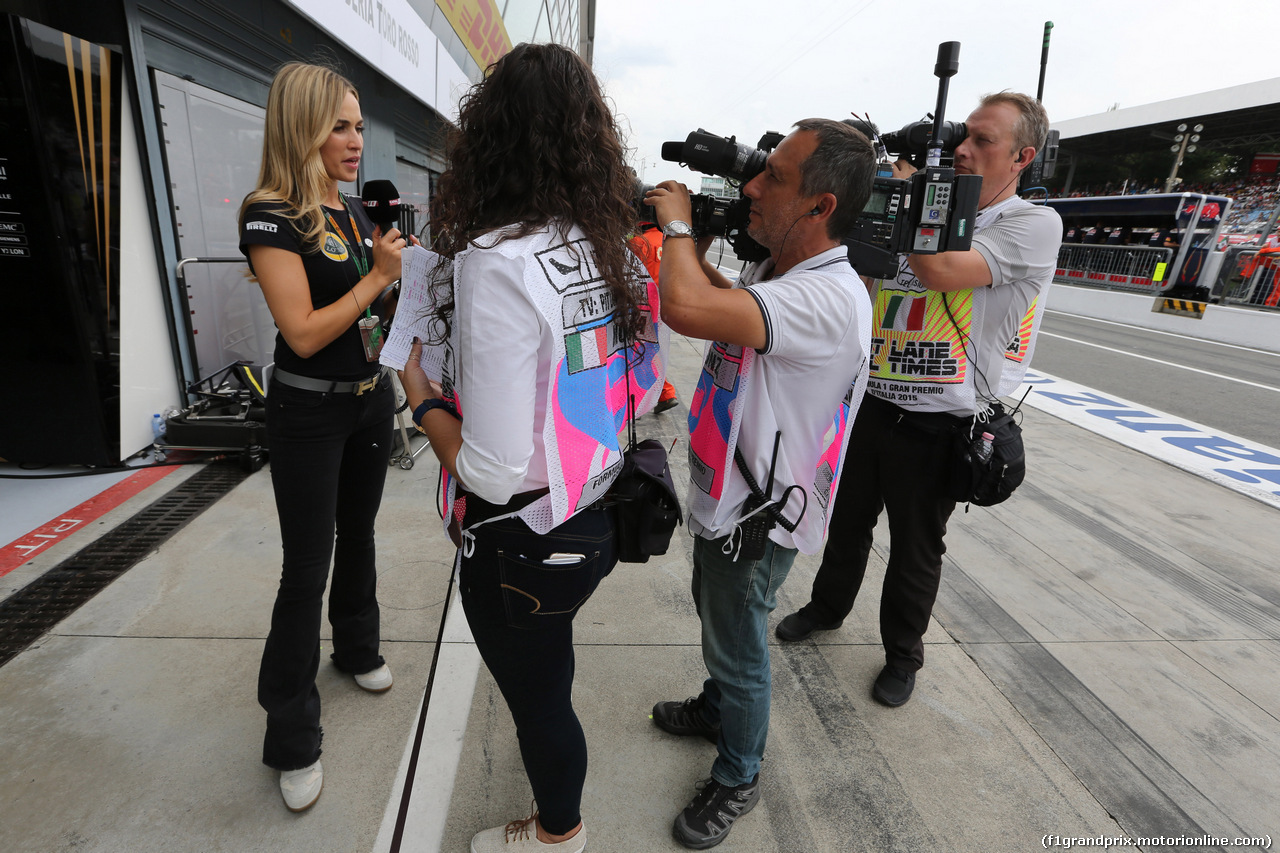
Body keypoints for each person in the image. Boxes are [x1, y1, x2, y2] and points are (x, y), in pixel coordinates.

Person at [396, 43, 664, 853]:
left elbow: (490, 465)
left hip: (522, 538)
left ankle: (558, 834)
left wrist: (420, 395)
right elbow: (644, 387)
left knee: (543, 702)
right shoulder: (606, 245)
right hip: (594, 508)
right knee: (552, 673)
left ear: (490, 137)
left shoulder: (495, 261)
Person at [776, 92, 1063, 709]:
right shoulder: (921, 203)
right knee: (845, 523)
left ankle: (903, 654)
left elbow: (938, 271)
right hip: (873, 398)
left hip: (945, 417)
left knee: (915, 547)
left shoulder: (1030, 224)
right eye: (964, 135)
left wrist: (912, 193)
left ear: (1023, 157)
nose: (963, 148)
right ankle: (826, 608)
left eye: (983, 141)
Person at [644, 118, 874, 849]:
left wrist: (677, 226)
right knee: (718, 621)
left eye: (773, 175)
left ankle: (739, 771)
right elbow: (721, 307)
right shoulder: (785, 277)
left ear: (820, 205)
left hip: (758, 516)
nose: (751, 186)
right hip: (730, 498)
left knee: (740, 646)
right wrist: (694, 248)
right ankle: (717, 707)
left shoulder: (827, 298)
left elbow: (684, 307)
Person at [237, 62, 409, 812]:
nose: (355, 141)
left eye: (360, 125)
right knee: (307, 564)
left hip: (371, 402)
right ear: (300, 126)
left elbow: (373, 316)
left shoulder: (350, 211)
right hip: (308, 412)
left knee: (360, 535)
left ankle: (358, 645)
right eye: (339, 125)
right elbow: (303, 333)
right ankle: (291, 729)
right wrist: (377, 278)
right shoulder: (269, 213)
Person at [629, 219, 682, 412]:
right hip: (665, 304)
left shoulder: (638, 242)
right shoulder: (669, 240)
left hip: (644, 306)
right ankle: (664, 394)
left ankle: (663, 393)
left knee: (640, 351)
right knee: (651, 350)